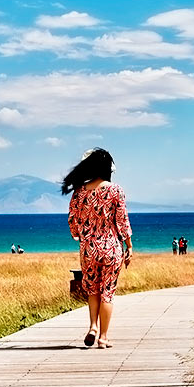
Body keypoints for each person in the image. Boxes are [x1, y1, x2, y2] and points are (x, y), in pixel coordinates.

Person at [62, 148, 132, 349]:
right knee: (107, 292)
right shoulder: (115, 190)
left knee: (92, 290)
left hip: (88, 249)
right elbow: (122, 221)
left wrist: (80, 235)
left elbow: (72, 221)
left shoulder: (79, 192)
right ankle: (103, 337)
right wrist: (129, 245)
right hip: (111, 248)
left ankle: (92, 327)